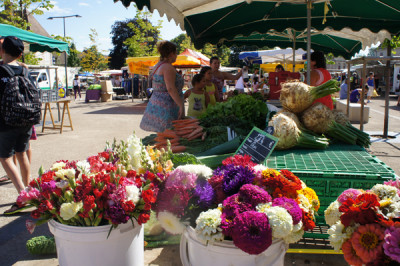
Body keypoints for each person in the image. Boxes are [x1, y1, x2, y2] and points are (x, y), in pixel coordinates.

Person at [0, 36, 35, 214]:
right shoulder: (25, 71)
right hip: (26, 119)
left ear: (2, 50)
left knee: (5, 157)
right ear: (21, 54)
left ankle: (23, 195)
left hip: (6, 121)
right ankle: (28, 188)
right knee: (22, 153)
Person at [140, 41, 184, 132]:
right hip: (167, 108)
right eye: (176, 53)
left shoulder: (158, 65)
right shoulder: (168, 67)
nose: (176, 55)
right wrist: (181, 105)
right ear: (171, 53)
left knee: (162, 137)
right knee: (169, 136)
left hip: (157, 104)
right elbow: (170, 88)